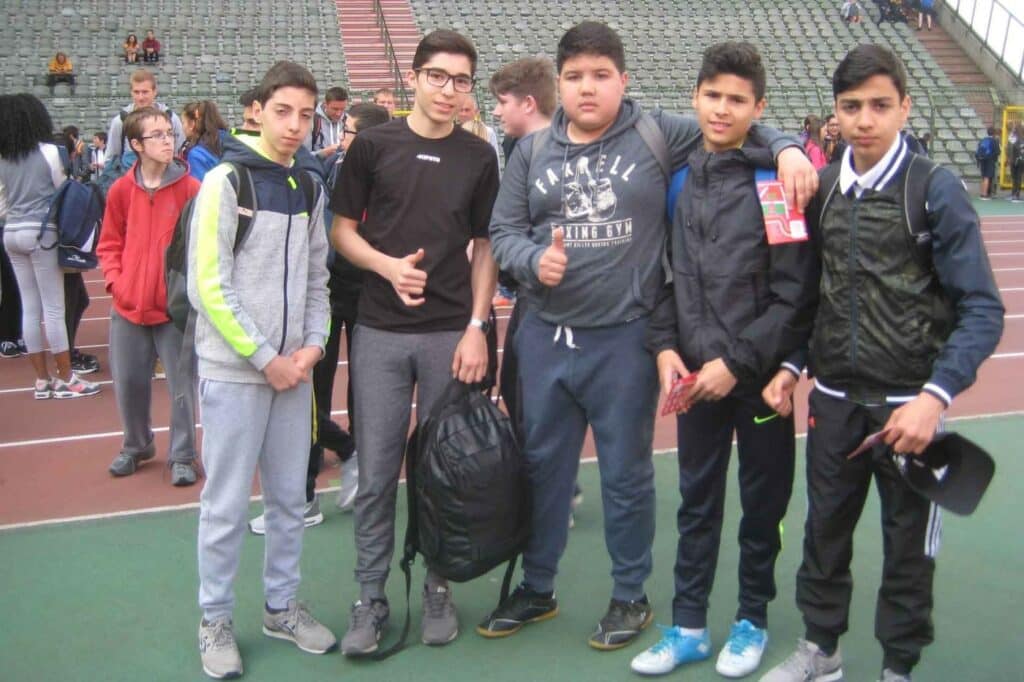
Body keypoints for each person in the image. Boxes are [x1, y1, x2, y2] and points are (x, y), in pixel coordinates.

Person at [482, 21, 815, 651]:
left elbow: (738, 120)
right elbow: (503, 232)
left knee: (626, 477)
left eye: (601, 75)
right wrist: (531, 260)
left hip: (626, 339)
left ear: (624, 80)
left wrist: (790, 148)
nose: (587, 88)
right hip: (546, 335)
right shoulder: (531, 151)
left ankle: (629, 595)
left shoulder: (659, 132)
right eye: (574, 77)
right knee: (543, 468)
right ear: (558, 83)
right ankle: (537, 585)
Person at [759, 44, 1004, 682]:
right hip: (835, 403)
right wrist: (791, 365)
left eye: (879, 105)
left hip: (910, 411)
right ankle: (821, 650)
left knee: (909, 550)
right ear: (834, 113)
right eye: (851, 107)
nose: (864, 120)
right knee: (823, 535)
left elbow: (982, 308)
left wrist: (934, 396)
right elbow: (811, 294)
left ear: (905, 107)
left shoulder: (934, 189)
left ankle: (899, 667)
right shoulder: (824, 190)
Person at [631, 41, 819, 679]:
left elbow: (795, 297)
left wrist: (736, 365)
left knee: (762, 507)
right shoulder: (679, 179)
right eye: (712, 95)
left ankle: (751, 621)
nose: (721, 108)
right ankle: (688, 626)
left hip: (759, 382)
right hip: (695, 379)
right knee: (696, 503)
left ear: (759, 108)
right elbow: (665, 278)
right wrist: (665, 348)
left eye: (737, 99)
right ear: (695, 97)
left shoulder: (775, 184)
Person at [330, 29, 500, 655]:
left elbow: (485, 246)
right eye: (438, 76)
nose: (449, 90)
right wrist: (386, 267)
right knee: (376, 473)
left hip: (449, 333)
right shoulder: (374, 145)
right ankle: (370, 596)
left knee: (442, 473)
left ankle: (438, 585)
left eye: (461, 80)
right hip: (378, 331)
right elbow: (342, 231)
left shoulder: (479, 156)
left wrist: (478, 326)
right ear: (415, 76)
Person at [189, 61, 336, 679]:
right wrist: (264, 358)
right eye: (283, 111)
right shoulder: (225, 182)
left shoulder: (311, 186)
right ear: (257, 111)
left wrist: (313, 346)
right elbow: (208, 286)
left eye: (305, 114)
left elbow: (318, 279)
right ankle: (215, 618)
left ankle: (281, 607)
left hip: (293, 374)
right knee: (225, 505)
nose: (295, 125)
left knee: (288, 500)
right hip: (235, 373)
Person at [247, 102, 389, 537]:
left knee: (366, 393)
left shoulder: (386, 175)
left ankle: (366, 480)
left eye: (348, 131)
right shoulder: (334, 168)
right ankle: (306, 493)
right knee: (314, 395)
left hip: (369, 294)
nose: (340, 139)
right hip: (329, 293)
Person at [97, 106, 200, 486]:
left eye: (169, 133)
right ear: (136, 144)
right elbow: (109, 243)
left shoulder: (191, 189)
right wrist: (117, 283)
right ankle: (137, 445)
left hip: (173, 310)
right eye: (157, 135)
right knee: (128, 383)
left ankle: (183, 454)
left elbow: (201, 247)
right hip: (128, 307)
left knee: (181, 387)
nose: (167, 140)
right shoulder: (121, 190)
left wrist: (185, 293)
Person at [0, 94, 100, 399]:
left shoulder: (3, 157)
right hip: (42, 232)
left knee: (29, 307)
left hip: (12, 232)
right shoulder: (49, 153)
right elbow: (62, 191)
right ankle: (66, 378)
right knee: (54, 308)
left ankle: (42, 380)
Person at [98, 69, 186, 193]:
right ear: (131, 92)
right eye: (136, 92)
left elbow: (179, 154)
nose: (140, 97)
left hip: (165, 185)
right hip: (129, 188)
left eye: (145, 92)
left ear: (154, 92)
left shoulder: (171, 119)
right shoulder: (121, 122)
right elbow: (111, 158)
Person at [181, 100, 228, 181]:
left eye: (183, 122)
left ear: (192, 124)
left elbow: (200, 187)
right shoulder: (230, 140)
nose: (182, 127)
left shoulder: (195, 155)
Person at [305, 86, 348, 163]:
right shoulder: (312, 121)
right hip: (318, 167)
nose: (339, 114)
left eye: (342, 109)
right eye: (335, 109)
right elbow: (303, 157)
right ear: (325, 104)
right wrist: (323, 153)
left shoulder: (348, 121)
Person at [458, 96, 501, 161]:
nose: (463, 114)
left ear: (476, 112)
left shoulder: (488, 132)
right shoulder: (452, 133)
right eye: (461, 110)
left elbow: (495, 160)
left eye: (467, 110)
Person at [976, 126, 1000, 199]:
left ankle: (982, 193)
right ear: (994, 133)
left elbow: (978, 151)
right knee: (987, 177)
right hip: (990, 161)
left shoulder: (983, 140)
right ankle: (985, 194)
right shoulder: (994, 141)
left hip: (982, 160)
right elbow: (997, 152)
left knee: (983, 177)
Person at [1009, 122, 1023, 202]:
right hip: (1018, 160)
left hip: (1017, 160)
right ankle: (1015, 195)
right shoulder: (1014, 138)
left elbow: (1010, 148)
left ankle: (1015, 195)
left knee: (1016, 178)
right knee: (1016, 178)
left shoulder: (1016, 138)